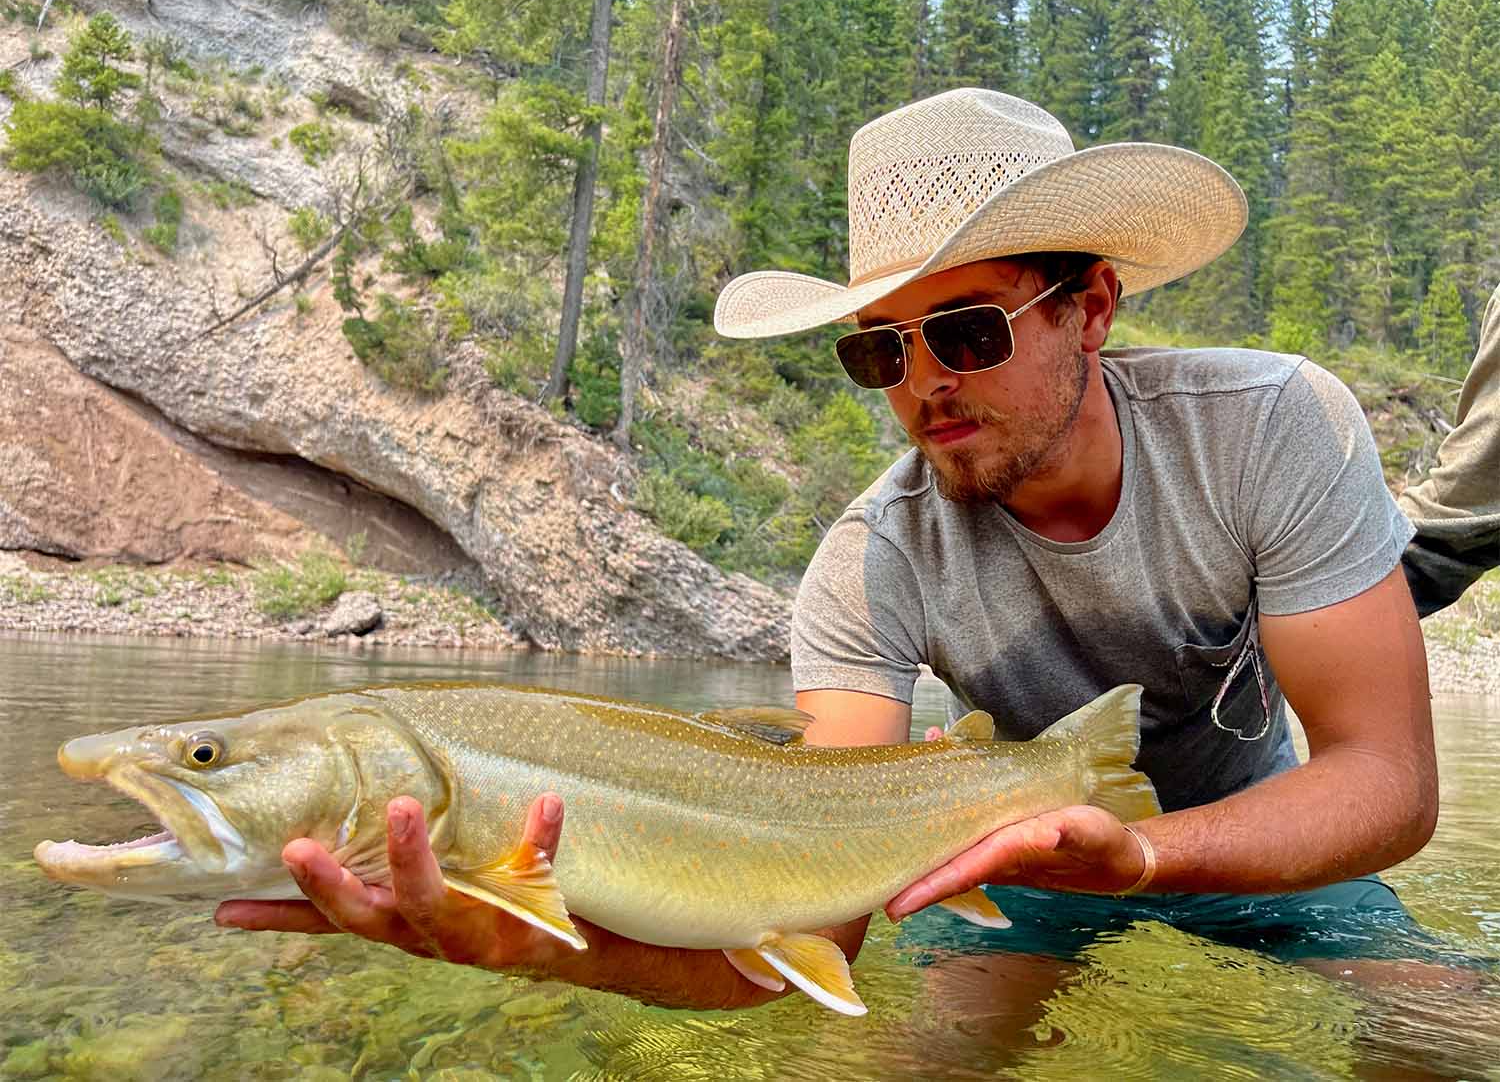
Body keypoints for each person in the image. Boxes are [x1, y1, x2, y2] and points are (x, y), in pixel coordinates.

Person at [217, 89, 1498, 1009]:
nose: (925, 383)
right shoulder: (866, 563)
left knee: (1442, 1043)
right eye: (880, 350)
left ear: (1092, 304)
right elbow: (800, 910)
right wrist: (549, 948)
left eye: (969, 332)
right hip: (1007, 870)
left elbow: (1387, 779)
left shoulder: (1271, 426)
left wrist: (1152, 854)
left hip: (1260, 834)